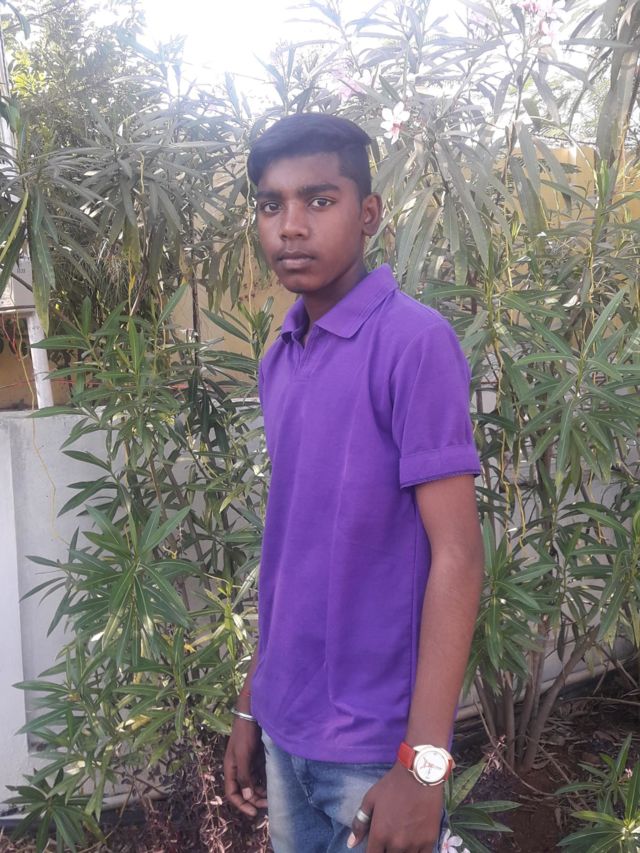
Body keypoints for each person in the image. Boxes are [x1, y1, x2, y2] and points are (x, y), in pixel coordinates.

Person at [223, 112, 484, 853]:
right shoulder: (281, 356)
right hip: (286, 729)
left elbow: (459, 556)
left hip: (376, 751)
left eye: (319, 200)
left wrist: (424, 768)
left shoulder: (413, 343)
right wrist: (250, 706)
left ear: (368, 214)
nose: (291, 226)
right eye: (271, 205)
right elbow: (293, 548)